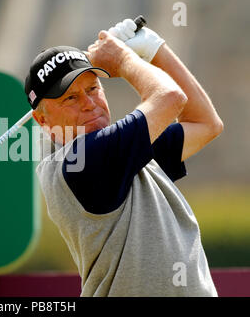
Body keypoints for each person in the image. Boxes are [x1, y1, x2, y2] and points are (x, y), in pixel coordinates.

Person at [24, 19, 223, 296]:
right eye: (70, 98)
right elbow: (169, 98)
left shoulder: (122, 150)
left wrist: (155, 49)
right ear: (42, 120)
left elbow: (206, 124)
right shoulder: (81, 161)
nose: (89, 103)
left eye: (93, 89)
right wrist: (125, 59)